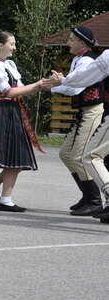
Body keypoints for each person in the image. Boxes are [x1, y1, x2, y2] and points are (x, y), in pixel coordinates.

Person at [0, 31, 46, 212]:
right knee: (15, 157)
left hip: (14, 110)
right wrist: (37, 84)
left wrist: (44, 85)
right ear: (0, 45)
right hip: (4, 111)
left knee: (19, 157)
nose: (14, 48)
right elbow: (9, 92)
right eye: (12, 44)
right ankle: (6, 199)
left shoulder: (10, 65)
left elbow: (22, 90)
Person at [48, 46, 109, 224]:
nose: (68, 42)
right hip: (91, 111)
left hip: (95, 111)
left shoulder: (103, 57)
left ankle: (97, 200)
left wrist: (62, 81)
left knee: (91, 156)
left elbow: (85, 77)